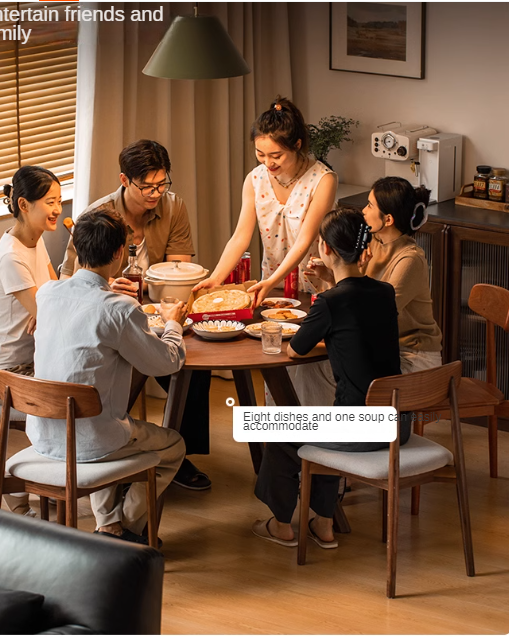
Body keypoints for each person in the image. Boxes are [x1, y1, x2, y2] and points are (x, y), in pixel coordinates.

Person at [29, 205, 187, 544]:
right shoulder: (119, 309)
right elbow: (167, 362)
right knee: (172, 446)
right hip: (92, 442)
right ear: (119, 253)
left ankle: (109, 523)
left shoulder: (47, 293)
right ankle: (127, 529)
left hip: (42, 433)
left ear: (78, 247)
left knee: (106, 421)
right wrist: (173, 321)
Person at [61, 139, 212, 490]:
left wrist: (152, 296)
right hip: (110, 314)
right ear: (125, 180)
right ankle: (120, 449)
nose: (156, 193)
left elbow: (179, 269)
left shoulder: (173, 208)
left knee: (192, 372)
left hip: (157, 309)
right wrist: (108, 288)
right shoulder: (98, 217)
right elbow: (70, 278)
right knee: (154, 364)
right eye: (147, 186)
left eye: (162, 184)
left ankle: (180, 454)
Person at [252, 207, 407, 548]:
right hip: (397, 424)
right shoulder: (383, 293)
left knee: (275, 429)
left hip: (356, 429)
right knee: (322, 422)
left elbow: (297, 351)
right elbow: (355, 314)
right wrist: (329, 287)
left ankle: (281, 526)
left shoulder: (329, 302)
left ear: (325, 249)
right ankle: (322, 523)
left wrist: (324, 295)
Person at [0, 165, 62, 517]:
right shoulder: (12, 255)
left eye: (58, 200)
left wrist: (46, 309)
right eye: (50, 202)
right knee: (64, 400)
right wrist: (46, 310)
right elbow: (52, 314)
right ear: (24, 204)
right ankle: (10, 479)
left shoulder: (34, 242)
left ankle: (49, 480)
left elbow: (54, 296)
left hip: (27, 362)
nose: (57, 209)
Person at [194, 96, 337, 306]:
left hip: (315, 283)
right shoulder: (255, 179)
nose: (268, 163)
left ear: (297, 145)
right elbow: (240, 237)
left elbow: (304, 241)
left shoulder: (323, 180)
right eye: (260, 154)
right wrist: (216, 278)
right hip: (272, 287)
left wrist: (271, 281)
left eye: (276, 156)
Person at [361, 176, 442, 373]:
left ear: (388, 219)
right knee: (315, 367)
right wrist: (329, 277)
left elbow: (377, 314)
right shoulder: (372, 243)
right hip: (381, 347)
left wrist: (352, 278)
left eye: (370, 205)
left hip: (413, 357)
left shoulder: (410, 260)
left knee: (327, 369)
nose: (363, 210)